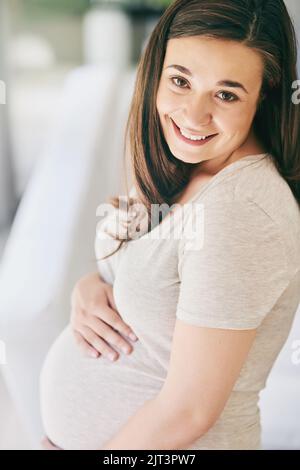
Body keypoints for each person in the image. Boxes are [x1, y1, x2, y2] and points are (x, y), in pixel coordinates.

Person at [40, 0, 300, 450]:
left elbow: (190, 411)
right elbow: (156, 279)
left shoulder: (240, 210)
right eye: (181, 81)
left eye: (226, 93)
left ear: (266, 95)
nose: (194, 115)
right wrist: (90, 288)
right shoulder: (186, 168)